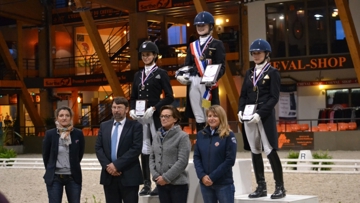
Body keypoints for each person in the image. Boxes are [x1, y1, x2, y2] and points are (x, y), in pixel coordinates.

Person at [237, 39, 286, 199]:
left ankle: (280, 186)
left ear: (266, 54)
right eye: (254, 53)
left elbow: (274, 97)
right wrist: (240, 110)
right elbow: (243, 94)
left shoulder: (273, 73)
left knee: (270, 149)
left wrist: (260, 113)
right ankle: (261, 186)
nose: (256, 55)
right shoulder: (249, 73)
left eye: (259, 53)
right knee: (254, 150)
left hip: (263, 116)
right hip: (249, 115)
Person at [129, 41, 174, 196]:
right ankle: (146, 183)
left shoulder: (161, 73)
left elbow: (169, 96)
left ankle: (158, 183)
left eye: (148, 54)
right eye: (143, 55)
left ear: (155, 55)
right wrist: (132, 109)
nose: (145, 57)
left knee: (157, 150)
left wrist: (155, 108)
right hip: (141, 118)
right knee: (144, 151)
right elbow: (133, 96)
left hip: (154, 116)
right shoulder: (137, 75)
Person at [176, 11, 226, 133]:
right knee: (198, 113)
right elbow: (187, 65)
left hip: (208, 83)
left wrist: (213, 78)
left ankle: (212, 137)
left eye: (203, 25)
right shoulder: (192, 46)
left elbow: (221, 66)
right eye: (198, 25)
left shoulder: (217, 44)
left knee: (209, 112)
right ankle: (201, 138)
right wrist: (181, 75)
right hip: (194, 81)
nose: (201, 27)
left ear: (210, 26)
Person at [95, 97, 143, 203]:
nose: (116, 110)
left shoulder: (135, 126)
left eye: (119, 107)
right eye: (114, 107)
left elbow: (136, 149)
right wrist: (108, 166)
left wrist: (116, 165)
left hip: (129, 175)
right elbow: (98, 148)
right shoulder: (104, 126)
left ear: (126, 109)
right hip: (109, 176)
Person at [193, 105, 237, 203]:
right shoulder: (201, 135)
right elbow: (196, 157)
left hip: (223, 184)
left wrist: (212, 177)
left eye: (215, 116)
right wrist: (202, 176)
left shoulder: (228, 135)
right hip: (205, 184)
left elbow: (230, 160)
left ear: (221, 117)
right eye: (209, 116)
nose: (212, 118)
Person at [42, 106, 85, 203]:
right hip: (55, 177)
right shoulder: (50, 134)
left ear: (71, 118)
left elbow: (80, 154)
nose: (64, 118)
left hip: (73, 177)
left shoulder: (78, 134)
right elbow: (46, 155)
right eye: (61, 115)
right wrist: (51, 168)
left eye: (67, 115)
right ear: (57, 118)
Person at [149, 105, 191, 203]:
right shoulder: (157, 135)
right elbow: (152, 157)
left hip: (177, 185)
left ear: (175, 119)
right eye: (162, 116)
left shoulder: (182, 136)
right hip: (161, 184)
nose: (163, 118)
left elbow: (182, 161)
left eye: (167, 116)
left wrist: (166, 178)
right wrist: (155, 175)